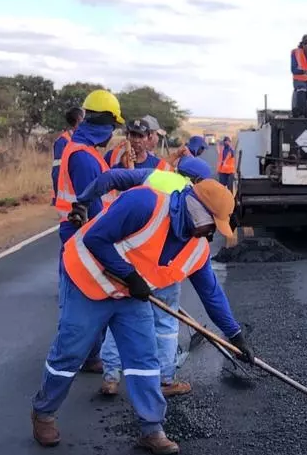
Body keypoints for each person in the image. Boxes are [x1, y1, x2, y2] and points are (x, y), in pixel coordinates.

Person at [32, 177, 253, 455]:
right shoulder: (145, 204)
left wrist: (235, 335)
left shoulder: (195, 247)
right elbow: (94, 238)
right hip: (85, 281)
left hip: (128, 296)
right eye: (212, 225)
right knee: (71, 352)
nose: (211, 234)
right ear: (197, 210)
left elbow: (211, 294)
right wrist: (127, 274)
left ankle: (152, 429)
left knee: (144, 358)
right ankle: (44, 413)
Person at [71, 156, 216, 397]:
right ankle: (166, 379)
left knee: (118, 316)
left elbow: (110, 178)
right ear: (200, 181)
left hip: (127, 258)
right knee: (165, 322)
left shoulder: (158, 177)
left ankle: (111, 377)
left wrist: (83, 202)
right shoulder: (197, 200)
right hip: (163, 266)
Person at [52, 89, 124, 374]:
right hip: (83, 235)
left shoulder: (87, 151)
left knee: (95, 297)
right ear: (104, 125)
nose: (112, 135)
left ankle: (91, 355)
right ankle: (69, 358)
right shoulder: (82, 156)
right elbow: (90, 203)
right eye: (112, 128)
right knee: (82, 302)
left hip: (86, 234)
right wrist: (110, 239)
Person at [50, 106, 84, 205]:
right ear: (79, 120)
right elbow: (57, 171)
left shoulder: (82, 141)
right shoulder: (62, 142)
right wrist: (57, 196)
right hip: (69, 199)